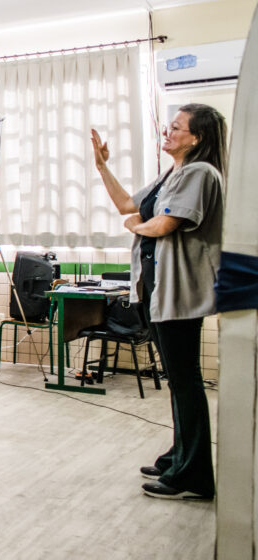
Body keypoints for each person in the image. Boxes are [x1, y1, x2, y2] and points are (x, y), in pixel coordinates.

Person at [91, 103, 226, 501]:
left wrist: (135, 227)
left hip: (179, 294)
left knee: (185, 383)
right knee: (178, 382)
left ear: (197, 137)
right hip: (158, 293)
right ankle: (179, 457)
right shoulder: (175, 172)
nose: (167, 132)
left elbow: (162, 224)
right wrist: (102, 167)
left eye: (176, 128)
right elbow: (127, 205)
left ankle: (195, 474)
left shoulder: (201, 172)